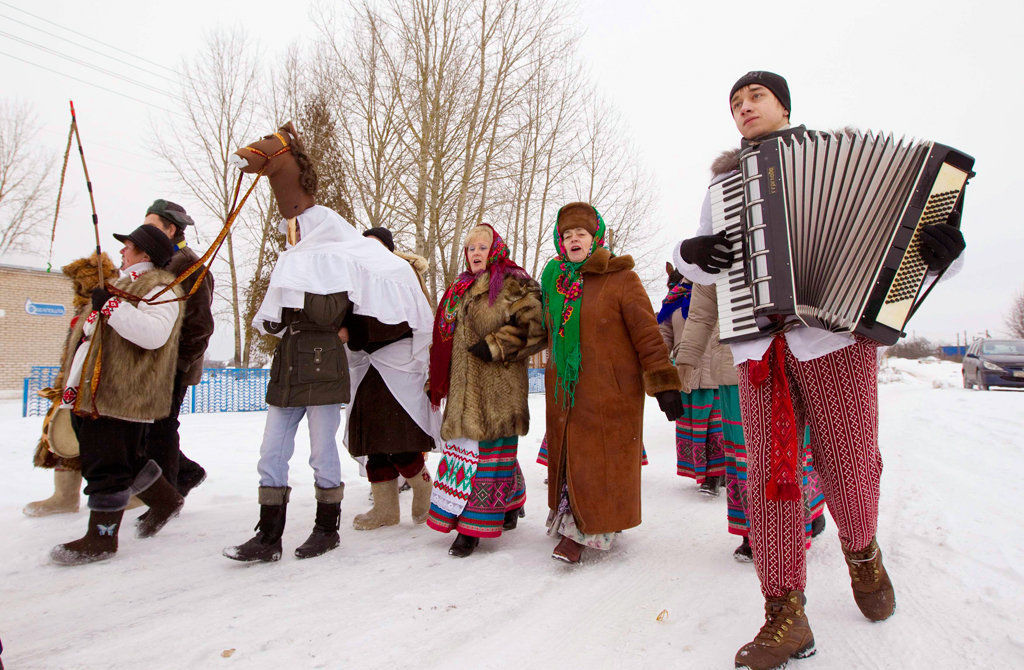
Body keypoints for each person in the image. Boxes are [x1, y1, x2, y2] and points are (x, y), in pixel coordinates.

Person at [674, 71, 966, 669]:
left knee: (849, 466)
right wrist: (693, 254)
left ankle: (863, 555)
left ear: (783, 104)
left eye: (754, 97)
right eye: (735, 102)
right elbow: (699, 260)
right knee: (770, 475)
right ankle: (785, 612)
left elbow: (910, 242)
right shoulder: (726, 181)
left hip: (837, 339)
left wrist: (945, 251)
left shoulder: (844, 160)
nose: (744, 107)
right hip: (760, 348)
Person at [224, 124, 433, 563]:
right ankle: (268, 535)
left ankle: (327, 527)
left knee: (324, 452)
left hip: (324, 365)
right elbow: (273, 321)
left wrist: (338, 326)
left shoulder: (342, 267)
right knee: (271, 451)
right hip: (289, 365)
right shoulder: (294, 263)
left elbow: (355, 308)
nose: (295, 237)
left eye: (301, 230)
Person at [542, 202, 683, 564]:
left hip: (610, 391)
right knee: (574, 457)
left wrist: (664, 384)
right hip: (566, 391)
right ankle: (581, 519)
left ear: (596, 239)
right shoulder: (556, 283)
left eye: (581, 235)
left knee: (599, 460)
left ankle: (584, 533)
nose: (574, 240)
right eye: (567, 235)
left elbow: (647, 334)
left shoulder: (621, 278)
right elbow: (541, 332)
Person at [50, 225, 186, 565]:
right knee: (127, 460)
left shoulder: (160, 287)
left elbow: (154, 334)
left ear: (145, 253)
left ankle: (102, 538)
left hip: (123, 395)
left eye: (128, 247)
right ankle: (166, 500)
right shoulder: (120, 287)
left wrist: (111, 307)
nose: (122, 252)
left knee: (106, 465)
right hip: (96, 394)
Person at [672, 281, 826, 563]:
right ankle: (752, 532)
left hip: (794, 358)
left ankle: (809, 514)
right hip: (736, 366)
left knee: (793, 446)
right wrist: (686, 361)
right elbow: (700, 314)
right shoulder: (714, 250)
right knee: (745, 456)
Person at [425, 223, 545, 557]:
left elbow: (536, 327)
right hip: (463, 390)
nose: (476, 253)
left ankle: (472, 528)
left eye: (482, 247)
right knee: (475, 456)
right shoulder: (459, 288)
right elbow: (445, 339)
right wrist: (436, 379)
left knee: (488, 458)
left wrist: (496, 345)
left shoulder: (515, 282)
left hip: (498, 390)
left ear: (495, 249)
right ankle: (509, 503)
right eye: (470, 248)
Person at [344, 226, 437, 530]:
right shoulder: (354, 278)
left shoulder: (401, 276)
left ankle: (425, 494)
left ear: (388, 249)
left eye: (375, 246)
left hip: (397, 364)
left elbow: (407, 321)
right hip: (365, 367)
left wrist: (353, 333)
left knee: (401, 439)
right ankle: (385, 509)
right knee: (372, 441)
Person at [24, 252, 117, 517]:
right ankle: (64, 496)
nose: (78, 288)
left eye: (82, 282)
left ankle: (127, 495)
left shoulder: (107, 306)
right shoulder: (81, 309)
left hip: (94, 385)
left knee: (101, 443)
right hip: (70, 383)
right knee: (61, 436)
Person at [141, 200, 214, 498]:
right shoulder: (157, 263)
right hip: (152, 362)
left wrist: (179, 363)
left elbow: (200, 325)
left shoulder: (189, 266)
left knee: (162, 428)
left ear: (171, 229)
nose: (143, 231)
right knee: (150, 429)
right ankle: (186, 472)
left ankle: (167, 493)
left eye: (151, 226)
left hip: (173, 366)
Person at [658, 262, 725, 496]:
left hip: (714, 371)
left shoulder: (718, 289)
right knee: (692, 426)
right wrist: (658, 360)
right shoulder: (674, 297)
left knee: (715, 428)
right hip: (685, 373)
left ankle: (714, 476)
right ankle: (703, 472)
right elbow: (665, 331)